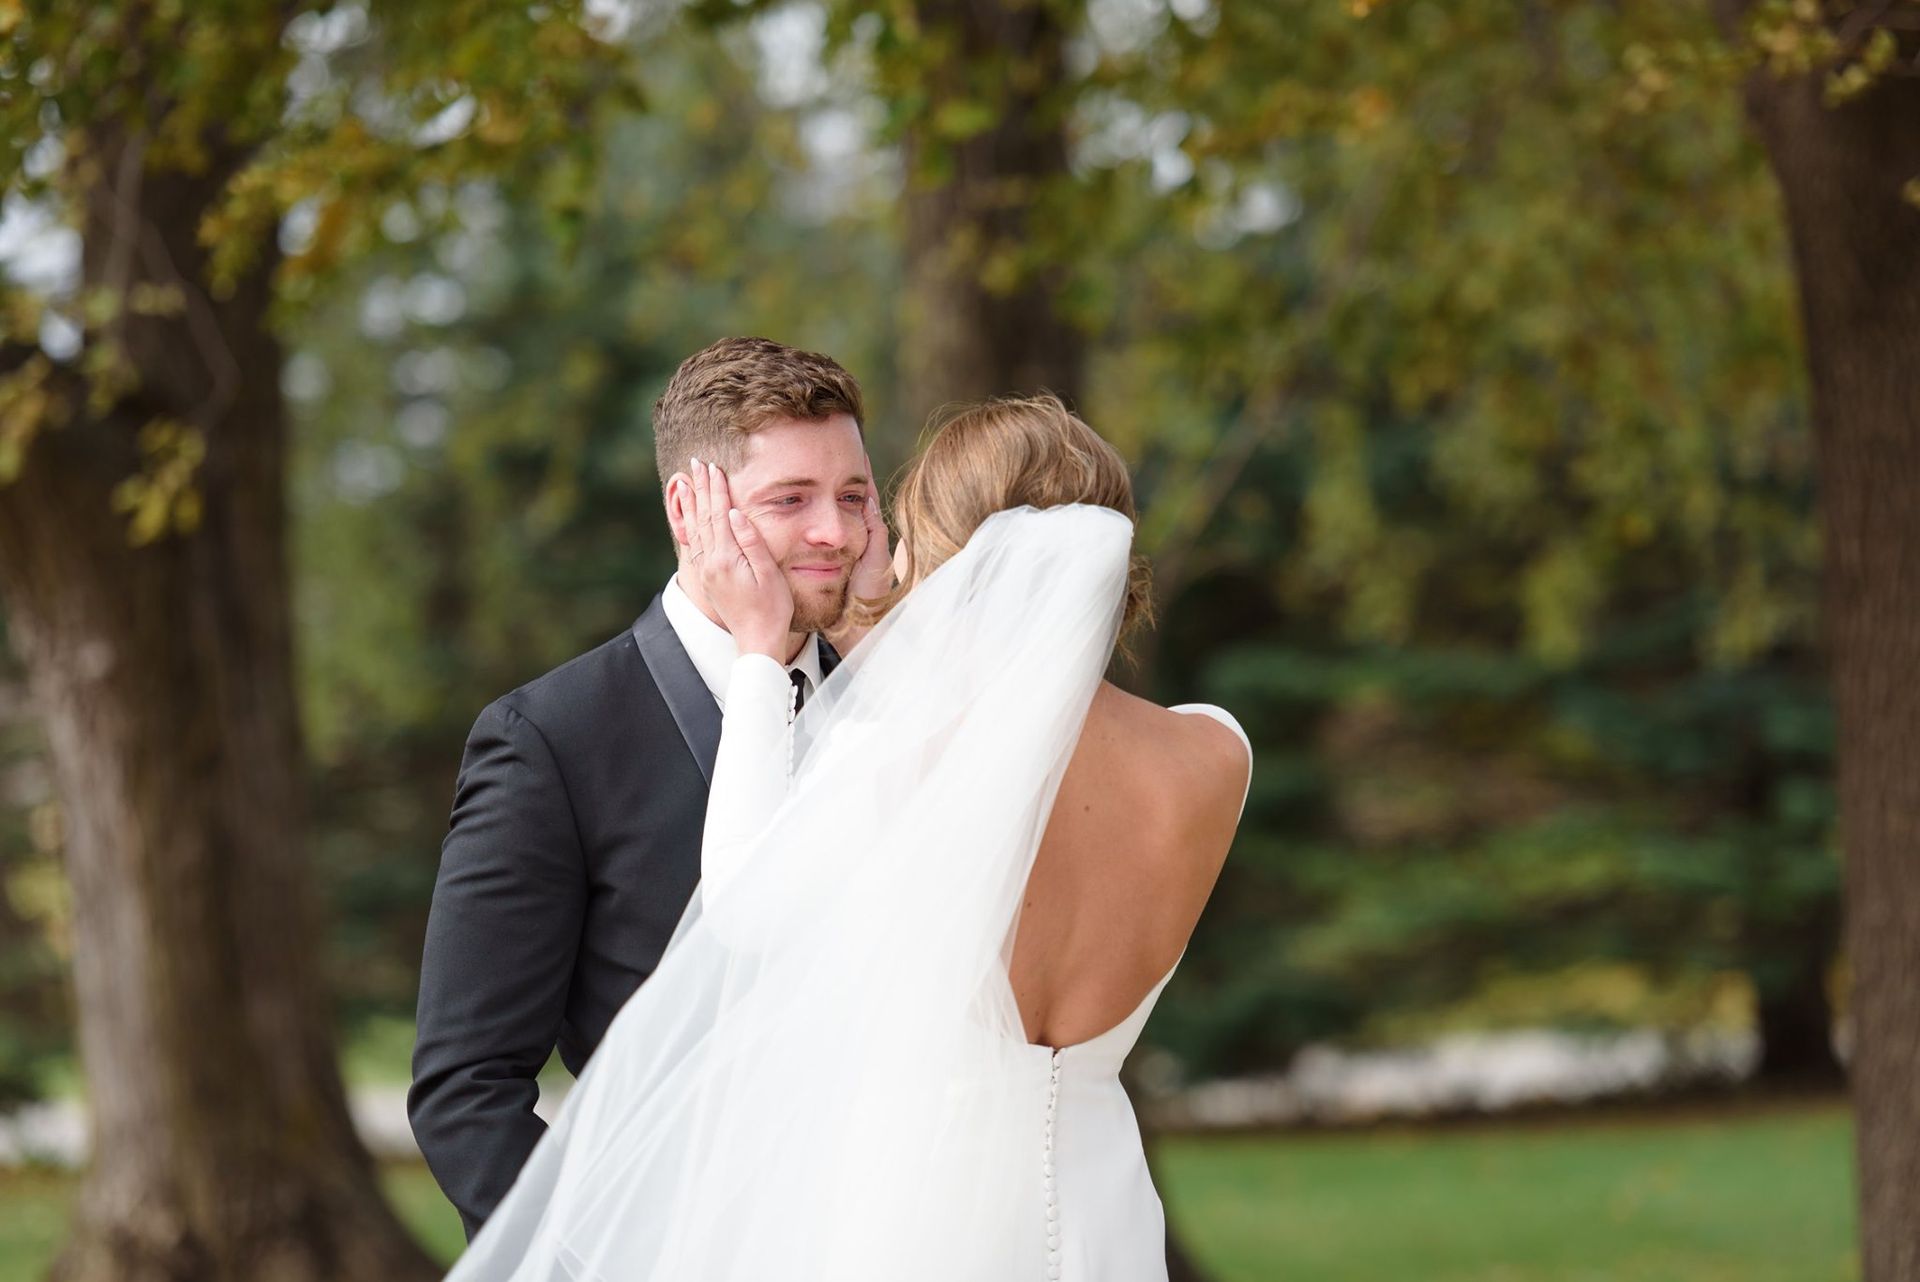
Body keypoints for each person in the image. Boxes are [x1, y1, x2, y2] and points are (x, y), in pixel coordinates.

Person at [441, 392, 1253, 1281]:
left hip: (926, 1227)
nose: (858, 543)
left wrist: (760, 657)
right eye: (793, 499)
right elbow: (467, 1081)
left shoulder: (887, 755)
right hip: (1106, 1213)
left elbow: (744, 915)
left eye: (872, 507)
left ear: (948, 561)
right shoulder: (1216, 750)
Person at [408, 336, 892, 1239]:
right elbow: (466, 1092)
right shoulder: (553, 739)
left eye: (855, 496)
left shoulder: (899, 703)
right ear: (690, 509)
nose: (838, 531)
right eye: (792, 500)